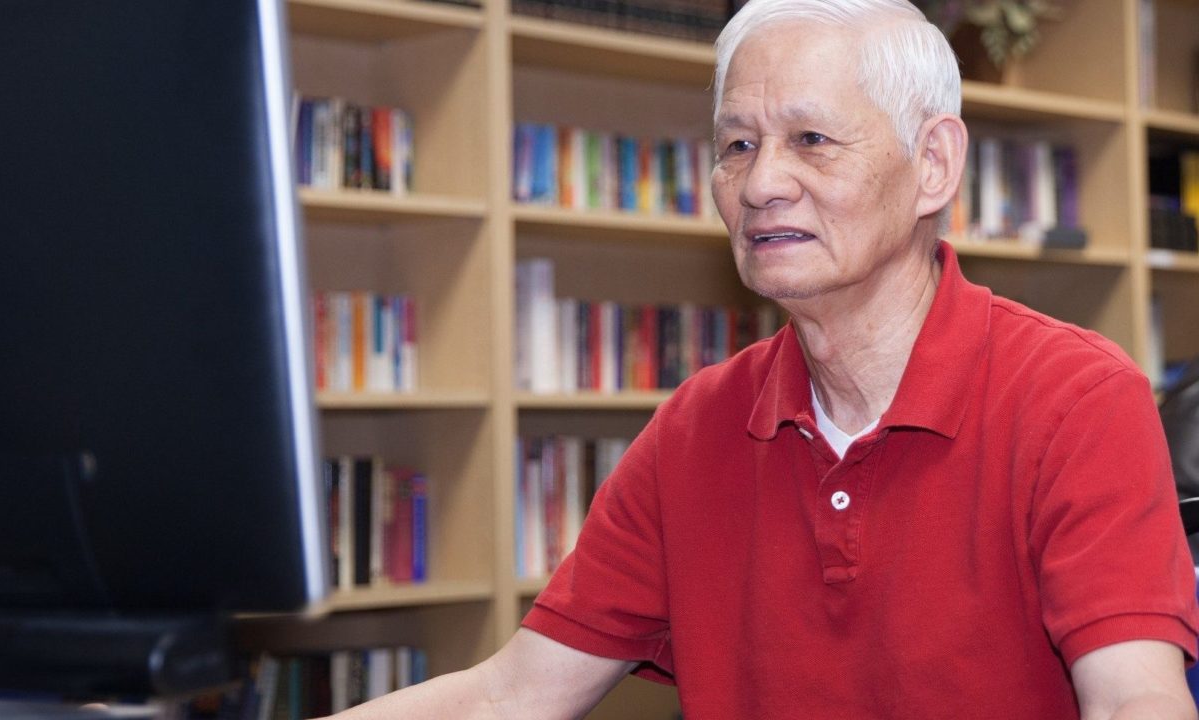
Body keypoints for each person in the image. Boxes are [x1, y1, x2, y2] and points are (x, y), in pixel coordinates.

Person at [319, 0, 1199, 717]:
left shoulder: (1078, 398)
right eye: (737, 145)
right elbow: (510, 697)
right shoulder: (696, 427)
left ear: (933, 164)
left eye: (811, 139)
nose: (762, 184)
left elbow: (1137, 700)